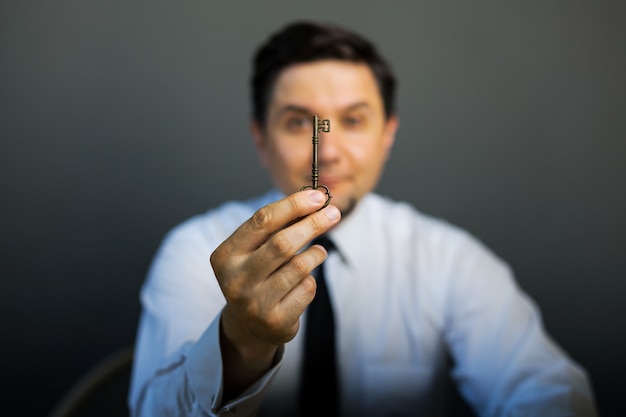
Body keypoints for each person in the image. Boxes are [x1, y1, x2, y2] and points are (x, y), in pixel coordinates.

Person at [128, 21, 598, 417]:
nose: (327, 151)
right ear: (259, 137)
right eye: (298, 123)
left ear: (387, 134)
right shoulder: (197, 252)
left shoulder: (449, 260)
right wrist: (241, 342)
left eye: (352, 120)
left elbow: (546, 393)